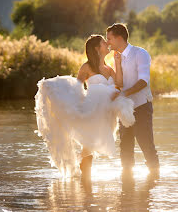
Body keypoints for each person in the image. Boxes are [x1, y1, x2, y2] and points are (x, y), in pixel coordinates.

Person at [34, 34, 135, 178]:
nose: (107, 44)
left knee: (91, 145)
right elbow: (77, 87)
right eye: (103, 43)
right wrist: (73, 104)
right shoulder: (87, 67)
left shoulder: (109, 68)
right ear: (97, 48)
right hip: (92, 109)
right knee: (89, 143)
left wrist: (118, 64)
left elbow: (119, 84)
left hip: (106, 113)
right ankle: (84, 181)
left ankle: (84, 184)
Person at [106, 23, 160, 175]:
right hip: (124, 109)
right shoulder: (115, 58)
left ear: (119, 38)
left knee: (146, 145)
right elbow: (118, 83)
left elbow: (144, 81)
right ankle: (127, 188)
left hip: (142, 106)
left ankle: (154, 180)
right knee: (125, 147)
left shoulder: (140, 54)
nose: (107, 42)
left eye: (109, 39)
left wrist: (124, 94)